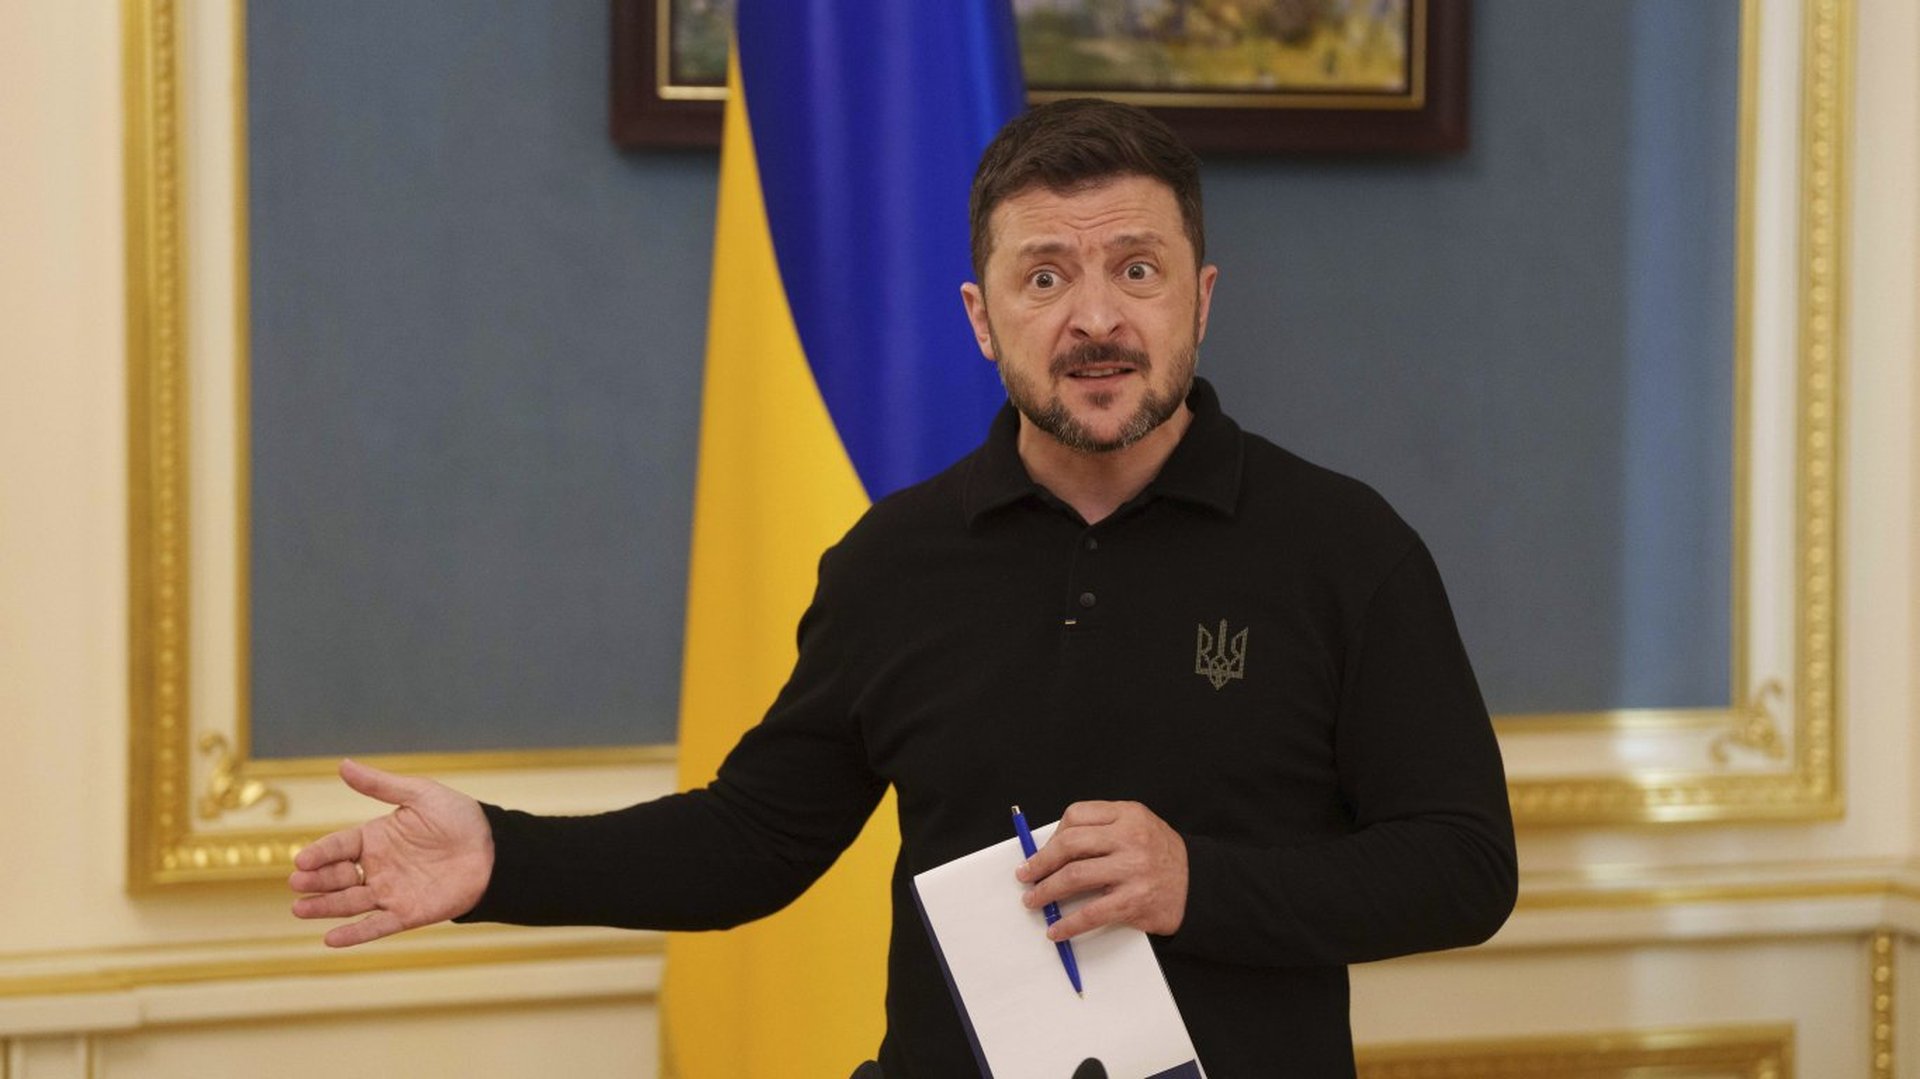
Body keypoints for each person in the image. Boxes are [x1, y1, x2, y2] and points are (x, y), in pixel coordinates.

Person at [289, 98, 1518, 1076]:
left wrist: (1198, 881)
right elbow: (752, 840)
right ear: (982, 318)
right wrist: (500, 857)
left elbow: (1465, 866)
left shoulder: (1344, 547)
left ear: (1200, 298)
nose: (1095, 317)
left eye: (1138, 270)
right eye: (1046, 277)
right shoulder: (895, 559)